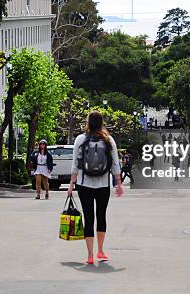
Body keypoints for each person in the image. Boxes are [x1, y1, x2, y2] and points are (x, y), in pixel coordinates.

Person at [68, 111, 123, 265]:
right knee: (101, 216)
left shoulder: (80, 139)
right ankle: (101, 251)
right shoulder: (108, 140)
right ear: (101, 123)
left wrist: (71, 184)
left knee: (88, 217)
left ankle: (90, 255)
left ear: (88, 122)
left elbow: (75, 164)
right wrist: (118, 183)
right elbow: (115, 164)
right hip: (103, 185)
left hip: (84, 184)